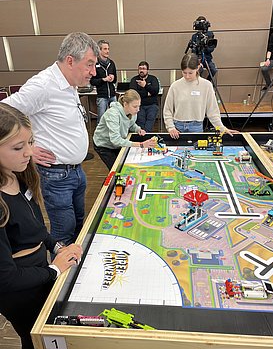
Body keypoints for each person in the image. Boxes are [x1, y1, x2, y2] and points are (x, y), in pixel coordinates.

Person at [0, 103, 83, 349]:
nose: (28, 152)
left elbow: (35, 226)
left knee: (45, 334)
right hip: (17, 289)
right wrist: (54, 270)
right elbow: (6, 279)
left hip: (37, 270)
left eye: (31, 142)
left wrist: (56, 246)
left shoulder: (19, 174)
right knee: (48, 334)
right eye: (17, 147)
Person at [2, 32, 99, 245]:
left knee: (79, 225)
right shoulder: (43, 85)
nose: (93, 72)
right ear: (70, 60)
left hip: (76, 171)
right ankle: (60, 276)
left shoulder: (70, 83)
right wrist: (29, 148)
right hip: (56, 176)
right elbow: (5, 113)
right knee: (64, 232)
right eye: (89, 65)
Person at [163, 53, 238, 139]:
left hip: (197, 127)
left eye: (190, 73)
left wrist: (222, 128)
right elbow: (167, 110)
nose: (187, 76)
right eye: (184, 73)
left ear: (198, 68)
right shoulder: (175, 86)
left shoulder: (206, 85)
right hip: (177, 127)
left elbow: (212, 111)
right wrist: (171, 127)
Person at [93, 89, 157, 170]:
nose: (138, 109)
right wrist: (141, 145)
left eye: (139, 106)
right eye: (135, 106)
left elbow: (131, 124)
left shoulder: (132, 112)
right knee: (116, 169)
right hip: (104, 145)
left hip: (117, 143)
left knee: (124, 166)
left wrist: (138, 129)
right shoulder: (113, 114)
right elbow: (115, 140)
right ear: (125, 104)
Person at [90, 39, 117, 124]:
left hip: (112, 95)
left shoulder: (111, 63)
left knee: (115, 117)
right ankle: (100, 137)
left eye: (108, 49)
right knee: (101, 120)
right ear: (99, 50)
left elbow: (115, 79)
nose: (107, 51)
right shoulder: (95, 64)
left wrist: (113, 78)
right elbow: (92, 81)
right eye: (105, 49)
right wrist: (103, 79)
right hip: (102, 96)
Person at [129, 61, 160, 132]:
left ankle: (147, 136)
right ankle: (143, 137)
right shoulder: (134, 80)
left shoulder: (153, 79)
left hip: (152, 105)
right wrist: (148, 93)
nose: (141, 70)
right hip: (139, 106)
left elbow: (155, 91)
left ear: (147, 70)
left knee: (150, 121)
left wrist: (145, 86)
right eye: (140, 68)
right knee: (140, 122)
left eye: (143, 68)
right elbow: (133, 93)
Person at [189, 16, 218, 82]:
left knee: (213, 70)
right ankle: (198, 83)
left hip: (207, 57)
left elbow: (211, 48)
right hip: (197, 58)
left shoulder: (210, 34)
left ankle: (208, 82)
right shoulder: (194, 36)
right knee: (199, 70)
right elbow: (193, 50)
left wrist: (205, 47)